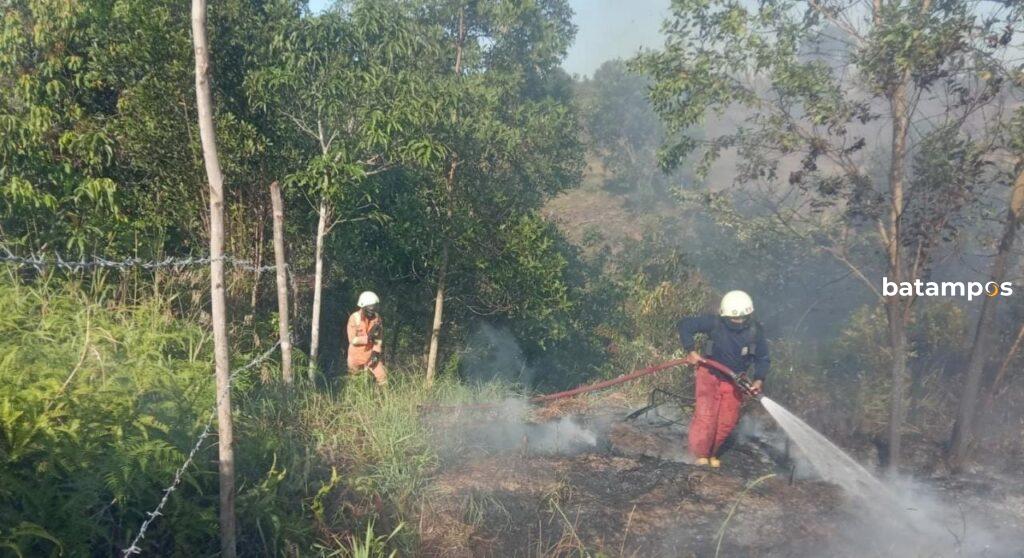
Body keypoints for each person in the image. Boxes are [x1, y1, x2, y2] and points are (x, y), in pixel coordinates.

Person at [678, 290, 769, 467]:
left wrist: (758, 380)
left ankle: (712, 453)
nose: (739, 321)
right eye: (734, 318)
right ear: (725, 315)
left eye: (743, 318)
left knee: (727, 421)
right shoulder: (714, 323)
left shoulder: (755, 331)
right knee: (706, 416)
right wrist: (691, 351)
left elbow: (763, 358)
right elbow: (685, 325)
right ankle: (699, 455)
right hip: (709, 375)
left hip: (735, 381)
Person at [347, 291, 387, 386]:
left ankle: (382, 395)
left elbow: (379, 338)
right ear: (363, 307)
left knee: (382, 377)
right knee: (355, 382)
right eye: (370, 308)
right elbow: (352, 340)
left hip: (371, 354)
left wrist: (376, 352)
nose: (372, 311)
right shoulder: (354, 318)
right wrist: (368, 338)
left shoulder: (377, 318)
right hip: (355, 356)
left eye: (374, 307)